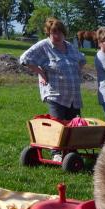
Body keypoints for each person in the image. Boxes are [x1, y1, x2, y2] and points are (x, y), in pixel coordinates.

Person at [20, 17, 86, 161]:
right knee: (56, 124)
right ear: (49, 33)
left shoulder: (69, 46)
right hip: (55, 93)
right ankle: (56, 153)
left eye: (59, 32)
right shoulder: (44, 46)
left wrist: (77, 70)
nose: (57, 36)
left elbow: (82, 59)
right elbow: (24, 58)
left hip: (73, 95)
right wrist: (40, 72)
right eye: (53, 32)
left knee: (73, 125)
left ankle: (71, 152)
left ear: (64, 33)